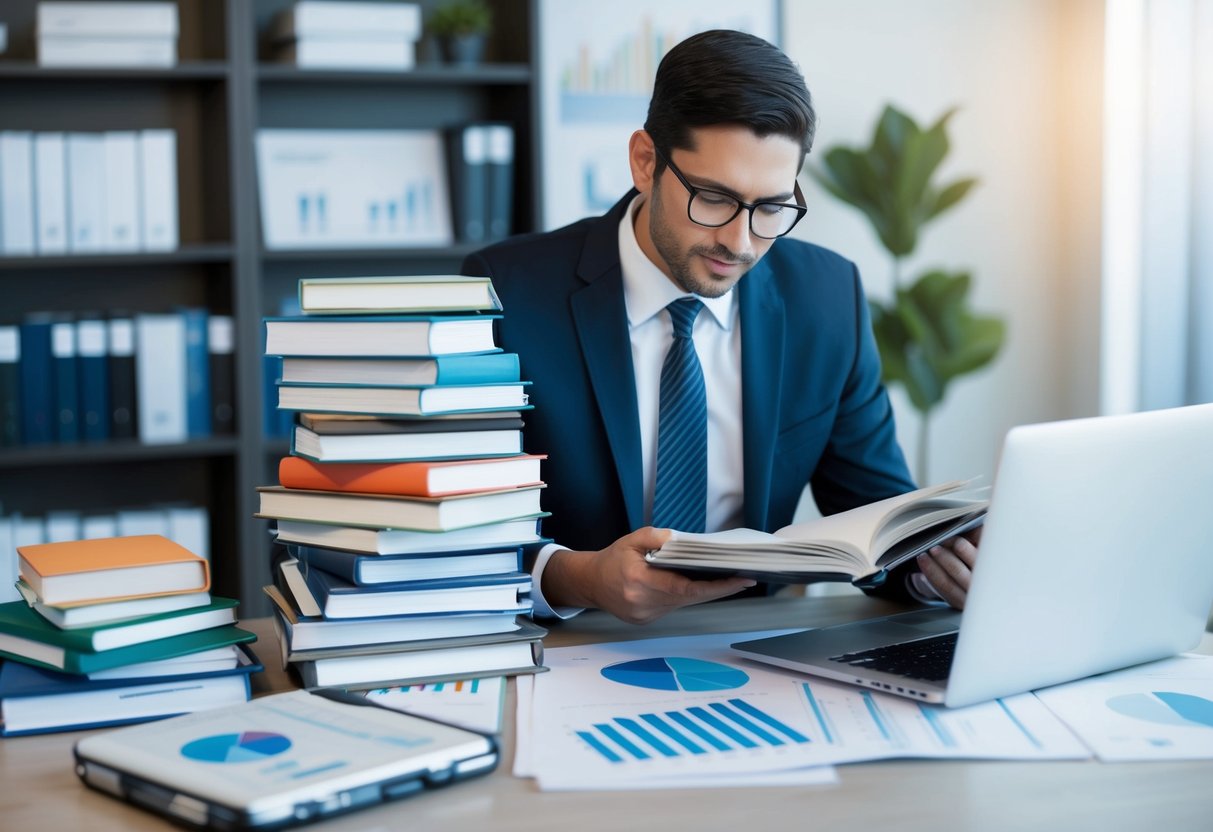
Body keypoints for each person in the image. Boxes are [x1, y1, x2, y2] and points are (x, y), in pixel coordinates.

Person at [462, 29, 978, 624]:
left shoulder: (826, 298)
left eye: (772, 208)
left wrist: (944, 564)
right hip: (565, 644)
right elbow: (458, 531)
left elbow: (882, 525)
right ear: (645, 162)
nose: (740, 242)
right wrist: (580, 579)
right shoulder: (507, 292)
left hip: (755, 653)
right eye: (713, 198)